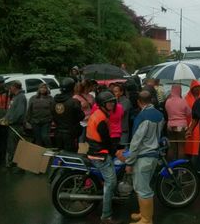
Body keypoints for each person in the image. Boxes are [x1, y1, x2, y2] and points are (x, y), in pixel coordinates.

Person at [125, 90, 164, 224]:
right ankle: (143, 214)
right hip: (153, 155)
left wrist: (129, 162)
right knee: (143, 186)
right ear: (151, 100)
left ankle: (147, 219)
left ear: (139, 102)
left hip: (143, 158)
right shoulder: (160, 115)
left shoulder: (142, 117)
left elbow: (136, 142)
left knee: (143, 189)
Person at [86, 91, 121, 224]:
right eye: (109, 102)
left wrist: (118, 146)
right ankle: (106, 216)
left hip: (96, 151)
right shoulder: (101, 118)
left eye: (113, 101)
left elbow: (106, 139)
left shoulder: (99, 114)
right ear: (102, 104)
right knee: (110, 182)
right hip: (100, 155)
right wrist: (116, 152)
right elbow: (106, 141)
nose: (112, 104)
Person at [52, 78, 85, 152]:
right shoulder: (74, 102)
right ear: (72, 88)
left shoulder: (53, 101)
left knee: (60, 154)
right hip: (71, 134)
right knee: (71, 155)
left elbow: (53, 116)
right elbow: (81, 116)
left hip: (58, 133)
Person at [0, 80, 27, 169]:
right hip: (12, 125)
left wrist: (9, 121)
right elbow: (11, 111)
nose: (9, 89)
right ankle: (12, 162)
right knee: (11, 145)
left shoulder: (21, 97)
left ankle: (16, 165)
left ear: (15, 87)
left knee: (15, 146)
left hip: (17, 126)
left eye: (10, 87)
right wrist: (4, 118)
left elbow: (19, 113)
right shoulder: (15, 97)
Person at [165, 84, 191, 160]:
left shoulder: (168, 101)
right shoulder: (183, 101)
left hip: (170, 126)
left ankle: (170, 166)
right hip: (181, 126)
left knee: (171, 147)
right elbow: (189, 113)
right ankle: (180, 168)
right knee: (181, 147)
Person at [26, 83, 54, 147]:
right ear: (38, 89)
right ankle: (39, 154)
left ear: (47, 89)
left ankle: (50, 150)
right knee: (38, 139)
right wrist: (28, 121)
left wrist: (52, 119)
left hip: (46, 121)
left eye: (44, 88)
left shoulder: (50, 98)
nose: (43, 89)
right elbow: (29, 110)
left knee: (45, 137)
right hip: (35, 121)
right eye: (41, 87)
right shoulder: (33, 98)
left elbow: (53, 110)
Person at [184, 80, 200, 162]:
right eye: (195, 88)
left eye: (198, 87)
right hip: (191, 122)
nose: (197, 90)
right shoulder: (187, 98)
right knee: (191, 140)